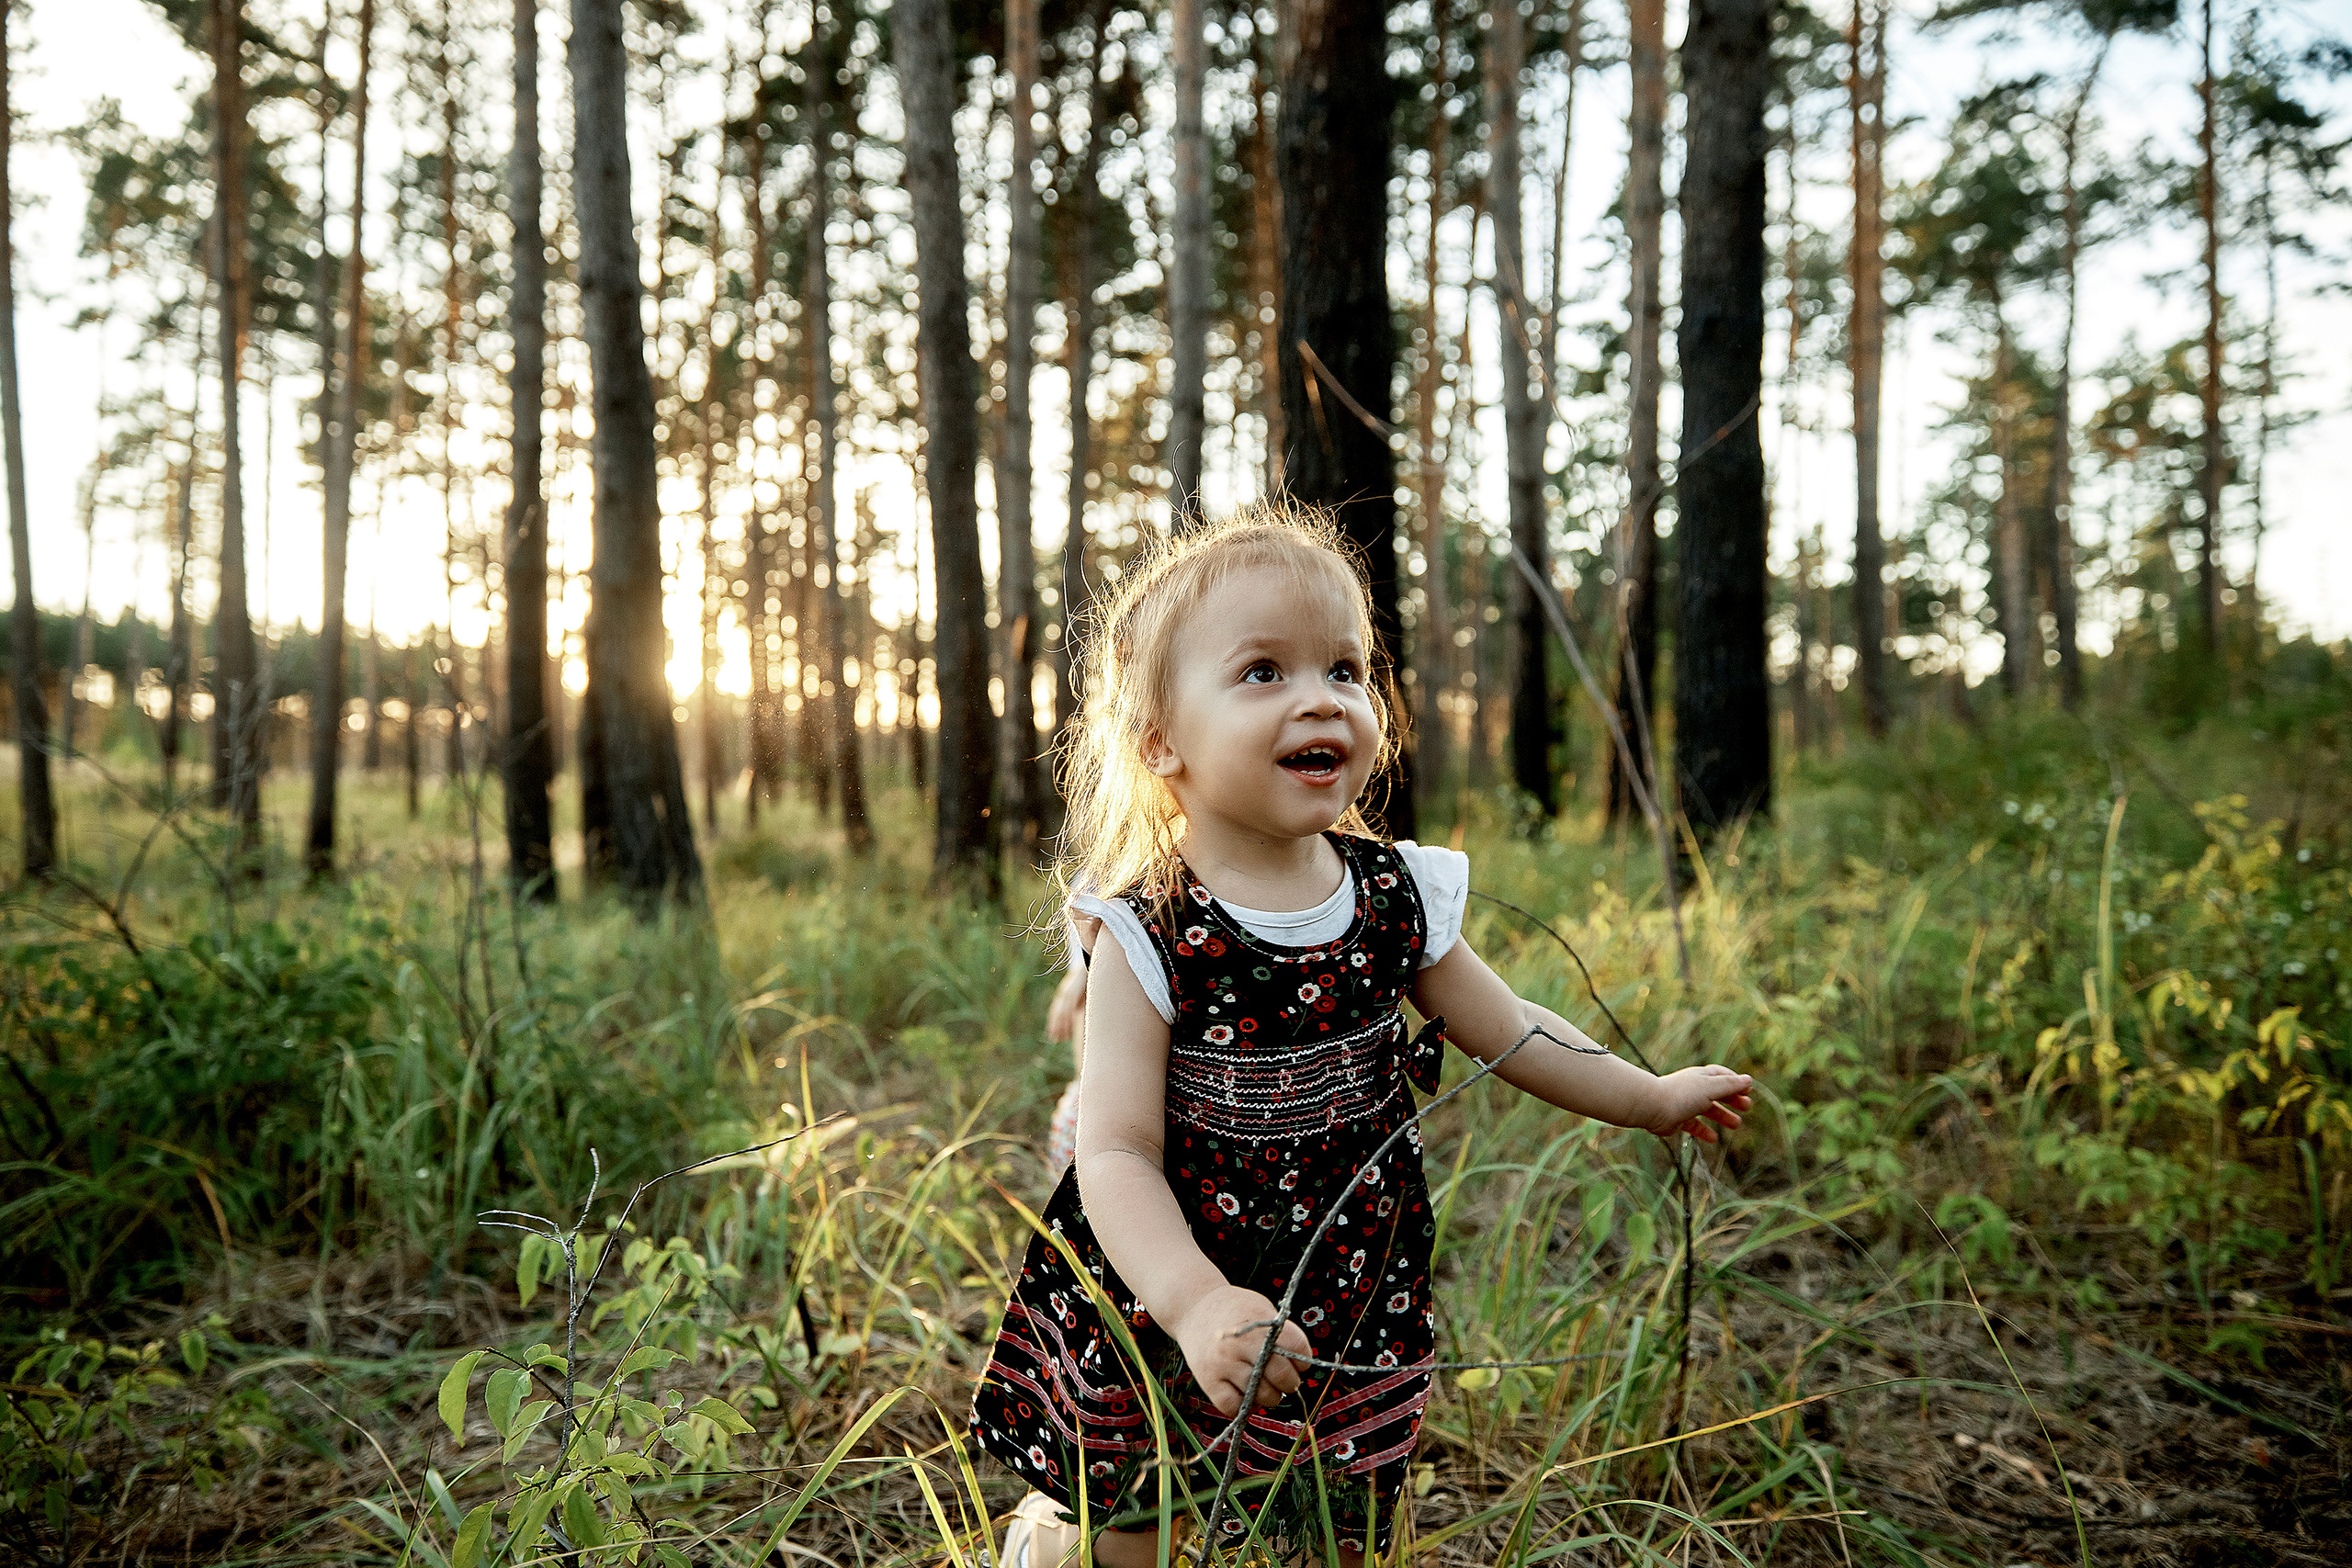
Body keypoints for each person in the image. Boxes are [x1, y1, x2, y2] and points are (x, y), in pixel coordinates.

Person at [970, 507, 1753, 1566]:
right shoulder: (1148, 928)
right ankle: (1062, 1544)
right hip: (1170, 1271)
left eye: (1344, 668)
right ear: (1160, 740)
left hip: (1349, 1269)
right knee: (1142, 1506)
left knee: (1344, 1502)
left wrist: (1645, 1096)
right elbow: (1114, 1152)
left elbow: (1511, 1031)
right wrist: (1195, 1303)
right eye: (1262, 672)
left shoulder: (1393, 894)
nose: (1320, 698)